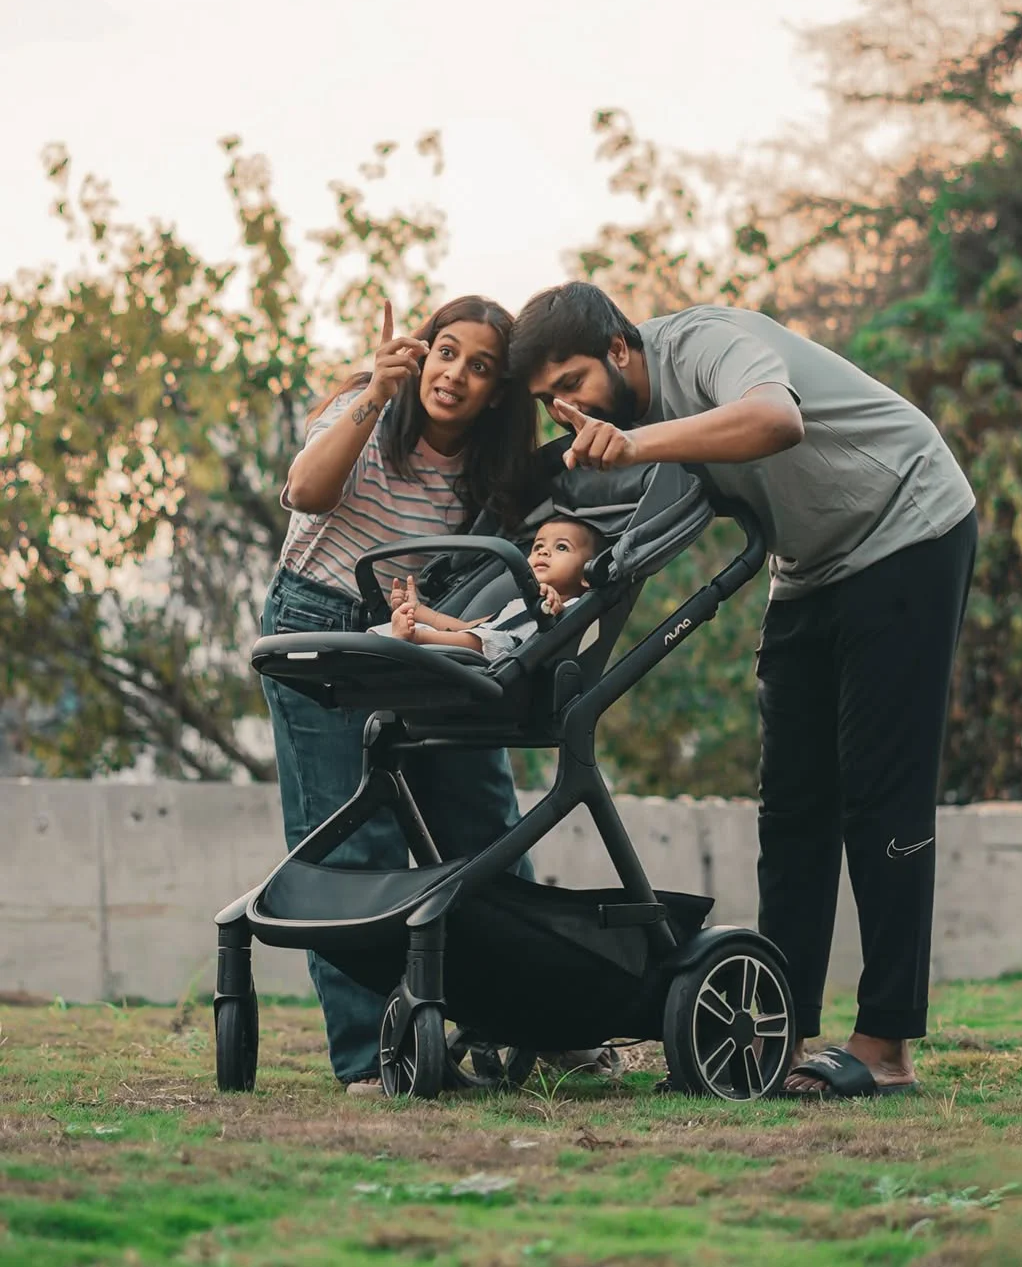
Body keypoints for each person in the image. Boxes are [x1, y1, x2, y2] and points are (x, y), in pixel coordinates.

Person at [510, 280, 978, 1100]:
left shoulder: (707, 344)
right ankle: (777, 1033)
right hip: (807, 564)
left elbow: (776, 418)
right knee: (792, 805)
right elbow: (638, 538)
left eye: (571, 384)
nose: (563, 410)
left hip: (908, 521)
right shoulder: (631, 422)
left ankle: (885, 1045)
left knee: (879, 793)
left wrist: (641, 443)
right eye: (547, 399)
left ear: (620, 348)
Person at [263, 294, 539, 1097]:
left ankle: (530, 1019)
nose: (455, 374)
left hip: (414, 637)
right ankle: (371, 1056)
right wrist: (377, 395)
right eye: (446, 351)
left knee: (485, 820)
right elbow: (307, 492)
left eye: (480, 366)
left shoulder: (491, 476)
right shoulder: (366, 403)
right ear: (421, 353)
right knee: (350, 839)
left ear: (496, 391)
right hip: (318, 622)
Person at [375, 516, 602, 656]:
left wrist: (551, 602)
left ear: (587, 573)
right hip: (475, 645)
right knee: (383, 632)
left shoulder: (572, 607)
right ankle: (387, 644)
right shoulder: (516, 604)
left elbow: (554, 615)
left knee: (496, 640)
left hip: (502, 655)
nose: (543, 551)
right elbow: (467, 627)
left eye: (562, 547)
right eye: (537, 546)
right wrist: (417, 610)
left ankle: (414, 639)